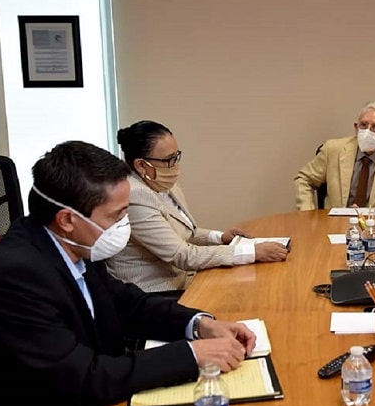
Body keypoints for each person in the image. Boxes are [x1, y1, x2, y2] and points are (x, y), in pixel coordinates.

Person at [0, 141, 257, 406]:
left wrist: (199, 324)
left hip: (100, 398)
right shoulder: (16, 274)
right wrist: (192, 355)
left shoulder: (73, 246)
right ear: (67, 219)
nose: (124, 224)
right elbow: (84, 377)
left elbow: (129, 303)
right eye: (117, 215)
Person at [107, 120, 288, 294]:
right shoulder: (135, 195)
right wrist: (252, 252)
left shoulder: (161, 181)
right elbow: (183, 254)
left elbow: (187, 233)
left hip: (184, 278)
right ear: (141, 165)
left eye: (177, 156)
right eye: (169, 159)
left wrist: (220, 237)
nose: (175, 166)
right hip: (155, 294)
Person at [294, 101, 375, 210]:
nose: (368, 132)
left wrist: (374, 218)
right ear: (356, 127)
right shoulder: (332, 149)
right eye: (363, 125)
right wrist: (308, 214)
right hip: (335, 225)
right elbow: (304, 179)